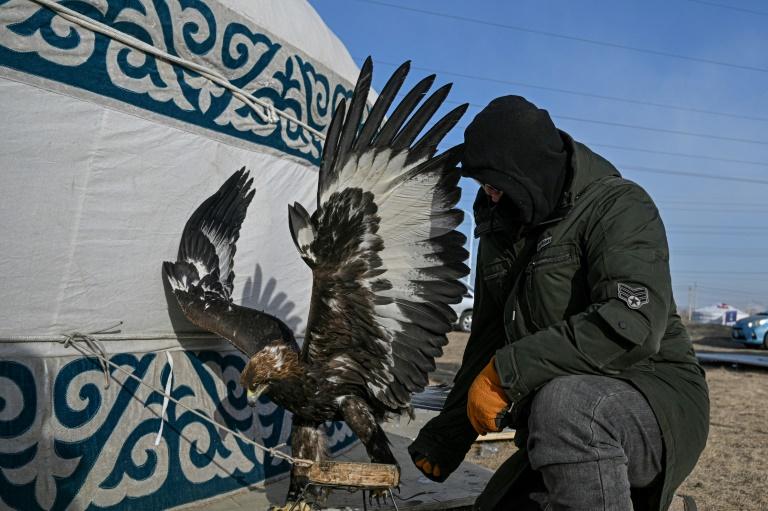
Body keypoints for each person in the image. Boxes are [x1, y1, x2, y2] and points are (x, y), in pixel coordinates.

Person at [408, 96, 709, 511]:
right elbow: (486, 340)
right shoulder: (500, 230)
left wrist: (507, 374)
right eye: (484, 187)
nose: (491, 197)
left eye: (496, 184)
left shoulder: (618, 206)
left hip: (653, 400)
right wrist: (446, 438)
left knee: (566, 405)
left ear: (528, 170)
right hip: (560, 419)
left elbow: (631, 323)